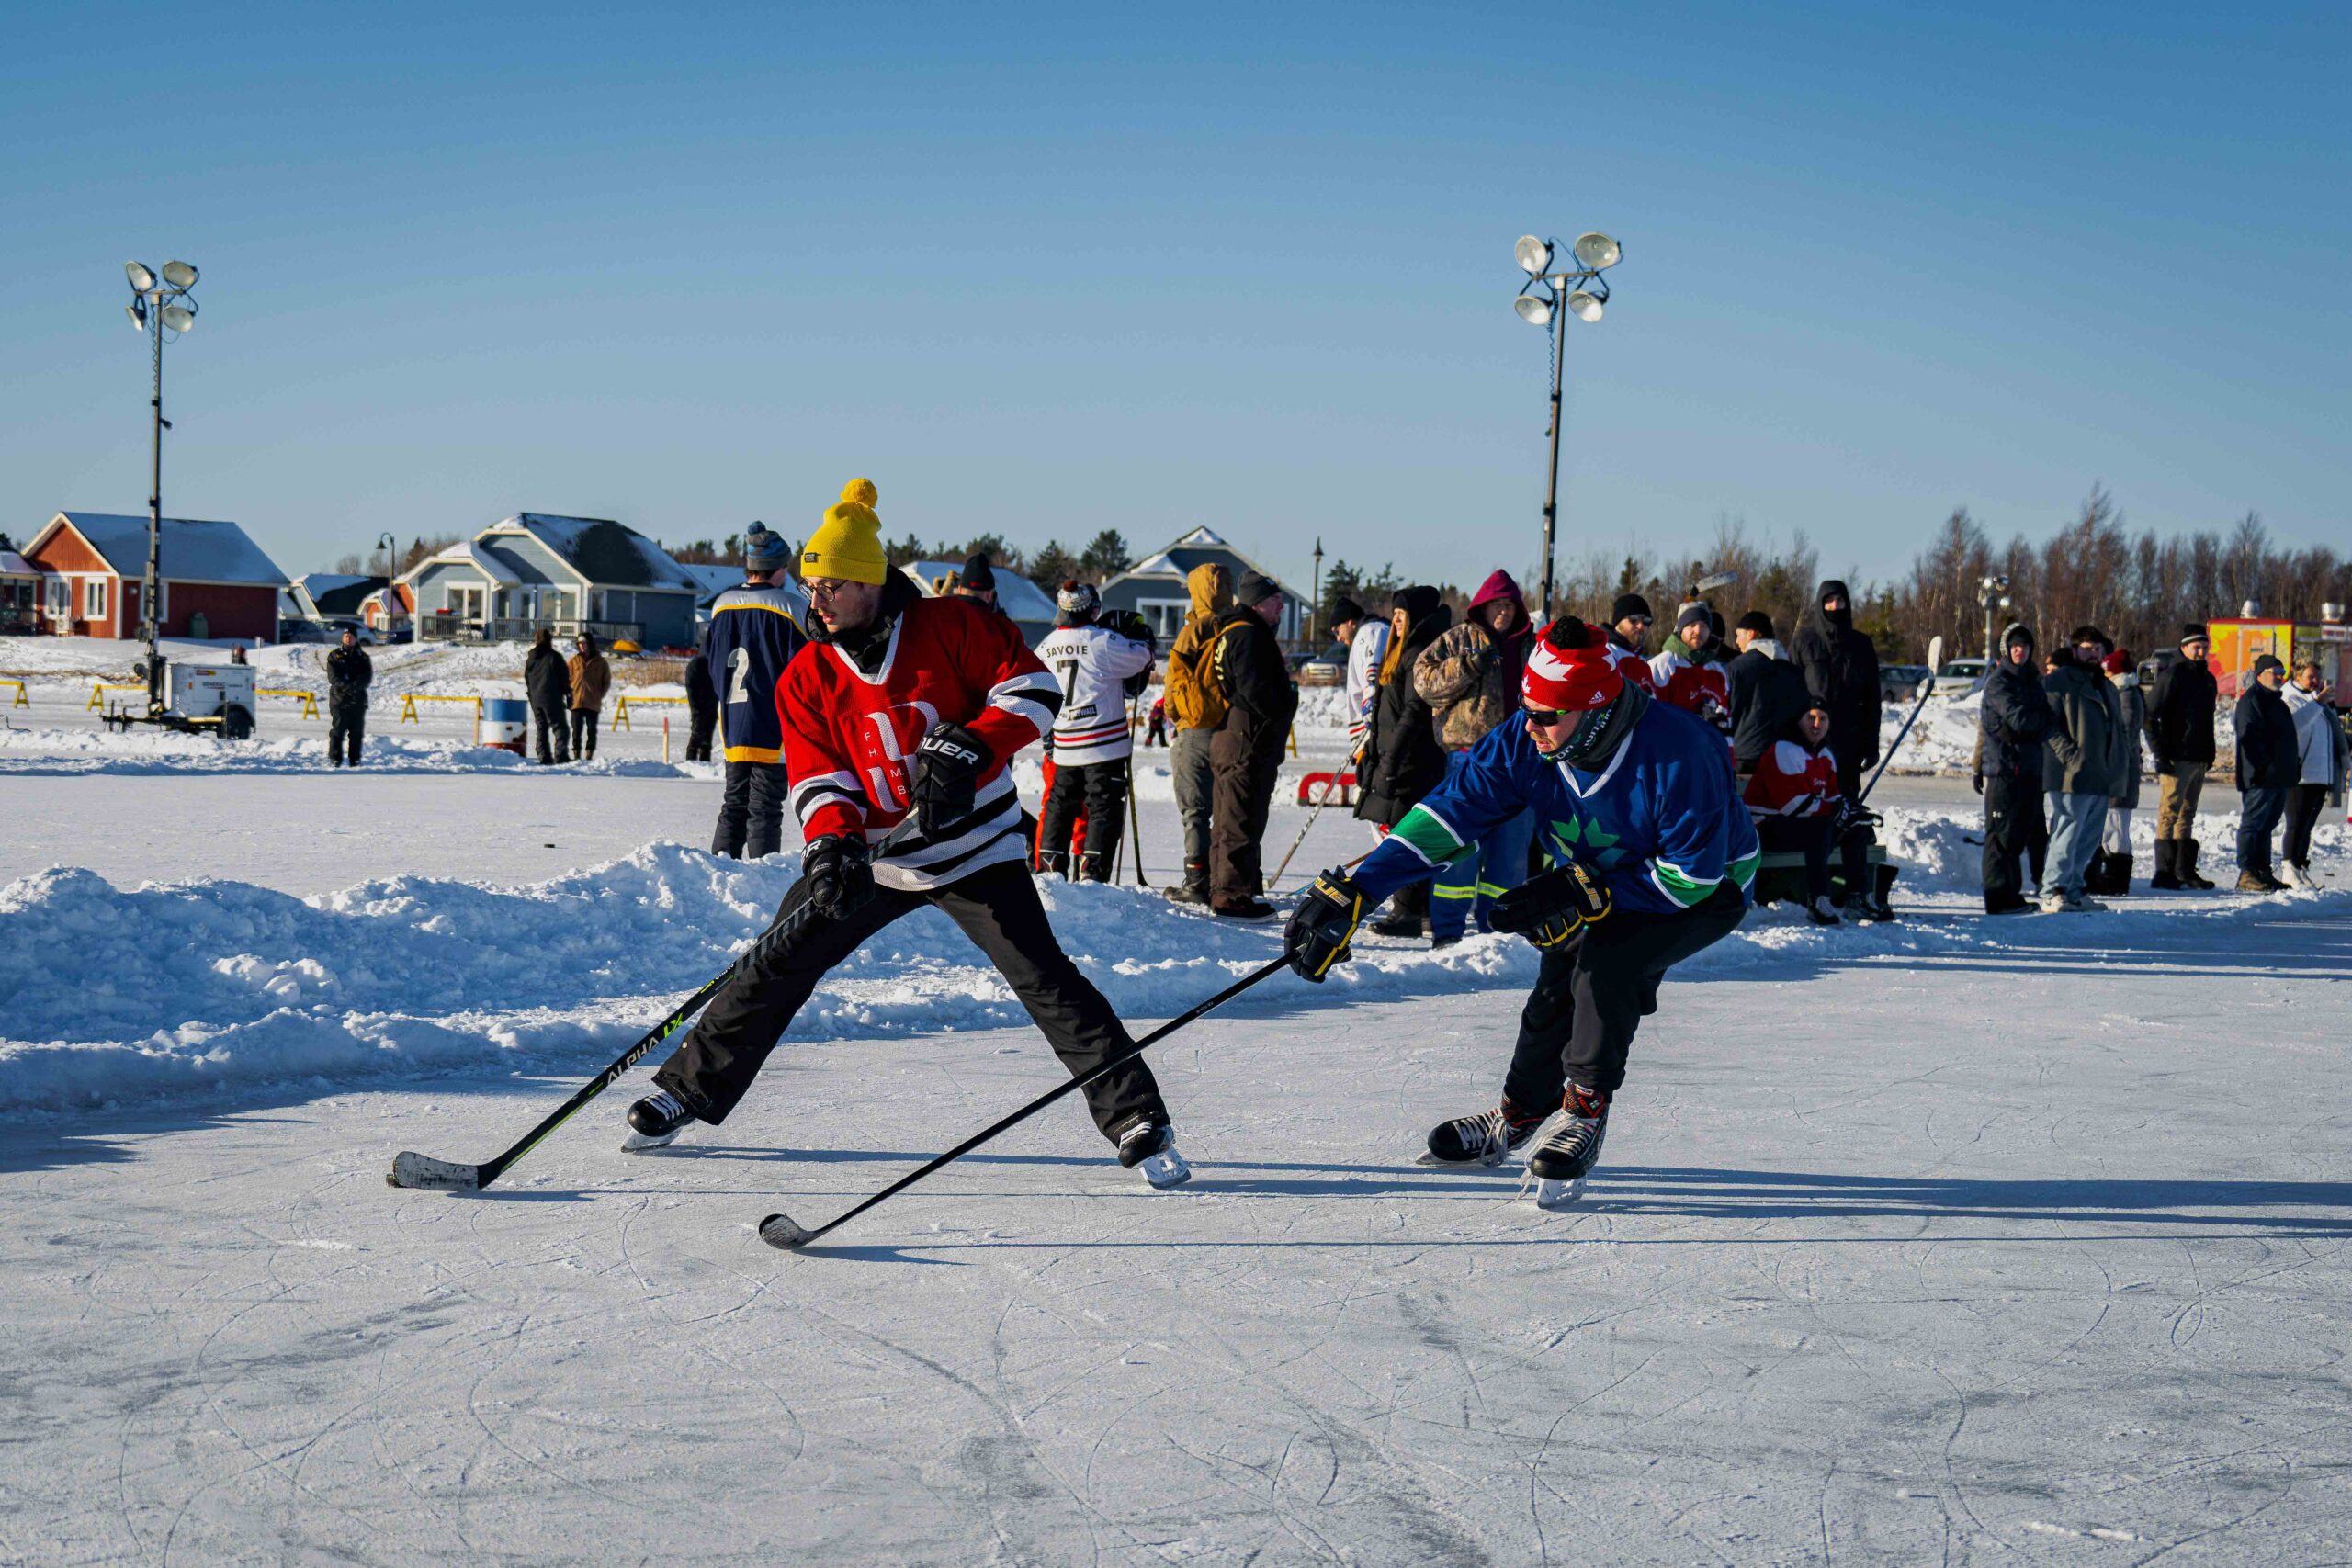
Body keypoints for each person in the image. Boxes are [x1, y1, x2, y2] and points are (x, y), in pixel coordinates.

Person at [628, 479, 1190, 1189]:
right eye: (810, 585)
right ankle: (689, 1089)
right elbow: (818, 776)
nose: (817, 598)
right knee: (775, 959)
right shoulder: (807, 674)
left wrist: (972, 745)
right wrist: (832, 845)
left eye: (832, 584)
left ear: (870, 581)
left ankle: (1136, 1116)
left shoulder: (952, 625)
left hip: (974, 848)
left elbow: (1034, 690)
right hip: (875, 857)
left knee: (1043, 976)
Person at [1285, 615, 1756, 1203]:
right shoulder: (1524, 738)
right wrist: (1361, 889)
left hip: (1705, 889)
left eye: (1547, 714)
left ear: (1596, 709)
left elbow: (1693, 876)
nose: (1530, 725)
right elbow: (1449, 813)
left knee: (1608, 960)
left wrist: (1585, 892)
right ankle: (1520, 1113)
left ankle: (1584, 1110)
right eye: (1526, 708)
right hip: (1599, 877)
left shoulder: (1682, 752)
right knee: (1556, 978)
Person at [1411, 570, 1536, 946]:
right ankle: (1448, 931)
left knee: (1510, 855)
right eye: (1497, 605)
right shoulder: (1459, 639)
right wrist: (1467, 665)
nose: (1504, 612)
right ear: (1482, 606)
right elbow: (1424, 682)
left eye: (1510, 605)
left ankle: (1499, 931)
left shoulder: (1530, 645)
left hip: (1520, 761)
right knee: (1460, 849)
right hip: (1469, 760)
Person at [1035, 581, 1154, 881]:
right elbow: (1142, 658)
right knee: (1103, 807)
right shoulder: (1103, 641)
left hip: (1064, 742)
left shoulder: (1046, 646)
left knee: (1059, 806)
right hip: (1104, 743)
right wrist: (1141, 636)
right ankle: (1093, 872)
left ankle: (1050, 870)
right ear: (1091, 610)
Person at [705, 523, 808, 858]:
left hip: (734, 721)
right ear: (778, 567)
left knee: (733, 803)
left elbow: (712, 663)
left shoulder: (722, 605)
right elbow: (804, 672)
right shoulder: (792, 608)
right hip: (772, 723)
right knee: (765, 806)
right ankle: (762, 871)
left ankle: (720, 868)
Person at [1354, 586, 1452, 937]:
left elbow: (1413, 712)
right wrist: (1372, 755)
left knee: (1405, 833)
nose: (1396, 621)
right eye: (1394, 614)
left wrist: (1391, 758)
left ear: (1416, 618)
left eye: (1402, 615)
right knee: (1399, 829)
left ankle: (1408, 911)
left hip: (1412, 760)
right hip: (1392, 754)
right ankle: (1415, 907)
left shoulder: (1417, 653)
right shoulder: (1398, 652)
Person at [1206, 570, 1296, 919]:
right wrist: (1284, 703)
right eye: (1275, 601)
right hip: (1245, 737)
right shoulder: (1247, 635)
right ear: (1258, 604)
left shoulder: (1233, 631)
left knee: (1229, 817)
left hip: (1232, 735)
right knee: (1239, 817)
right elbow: (1254, 689)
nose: (1281, 607)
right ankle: (1231, 896)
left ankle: (1227, 886)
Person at [1745, 702, 1880, 925]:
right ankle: (1818, 901)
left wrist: (1849, 812)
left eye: (1823, 719)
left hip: (1803, 826)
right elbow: (1793, 805)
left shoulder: (1824, 753)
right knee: (1820, 828)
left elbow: (1832, 796)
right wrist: (1834, 811)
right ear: (1798, 721)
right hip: (1763, 828)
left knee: (1855, 828)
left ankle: (1857, 899)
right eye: (1811, 718)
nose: (1817, 725)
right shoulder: (1784, 749)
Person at [1159, 562, 1234, 905]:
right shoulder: (1237, 625)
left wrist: (1174, 714)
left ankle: (1197, 880)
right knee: (1230, 810)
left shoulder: (1194, 630)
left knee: (1195, 811)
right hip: (1230, 729)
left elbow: (1175, 680)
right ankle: (1233, 879)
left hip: (1196, 727)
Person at [2040, 626, 2127, 913]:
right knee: (2067, 832)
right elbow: (2047, 723)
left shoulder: (2106, 686)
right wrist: (2070, 755)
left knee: (2089, 837)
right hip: (2071, 775)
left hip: (2100, 772)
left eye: (2098, 649)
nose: (2094, 654)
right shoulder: (2060, 681)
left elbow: (2117, 729)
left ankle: (2074, 888)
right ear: (2075, 650)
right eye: (2087, 648)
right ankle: (2054, 889)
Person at [1978, 622, 2051, 914]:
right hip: (2004, 769)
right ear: (2006, 650)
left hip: (2029, 767)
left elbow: (2047, 719)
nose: (2020, 651)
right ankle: (1997, 897)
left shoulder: (2032, 681)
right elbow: (2019, 719)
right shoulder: (2000, 681)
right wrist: (2034, 724)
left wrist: (2034, 725)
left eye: (2025, 646)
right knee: (2001, 835)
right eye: (2015, 646)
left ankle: (2012, 893)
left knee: (2019, 834)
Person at [1791, 579, 1881, 802]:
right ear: (1820, 604)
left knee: (1846, 802)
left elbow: (1872, 699)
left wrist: (1871, 744)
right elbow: (1789, 692)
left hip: (1849, 739)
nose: (1834, 606)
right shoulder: (1804, 642)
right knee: (1812, 803)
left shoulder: (1861, 645)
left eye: (1840, 601)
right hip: (1811, 737)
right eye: (1829, 601)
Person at [2146, 625, 2219, 889]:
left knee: (2188, 813)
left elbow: (2207, 719)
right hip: (2176, 756)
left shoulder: (2207, 679)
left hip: (2199, 755)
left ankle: (2183, 869)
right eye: (2196, 647)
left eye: (2205, 647)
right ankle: (2163, 871)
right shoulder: (2173, 675)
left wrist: (2209, 752)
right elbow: (2149, 715)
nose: (2201, 652)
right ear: (2184, 647)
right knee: (2169, 812)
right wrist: (2160, 753)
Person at [2233, 654, 2299, 893]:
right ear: (2260, 675)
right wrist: (2258, 768)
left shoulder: (2277, 703)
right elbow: (2248, 737)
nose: (2280, 677)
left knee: (2267, 825)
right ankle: (2247, 873)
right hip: (2260, 777)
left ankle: (2262, 871)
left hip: (2279, 776)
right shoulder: (2251, 701)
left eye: (2282, 673)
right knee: (2253, 824)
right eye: (2275, 673)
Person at [2280, 659, 2346, 886]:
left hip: (2319, 773)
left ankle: (2299, 866)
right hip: (2299, 774)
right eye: (2310, 677)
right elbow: (2295, 726)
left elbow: (2330, 732)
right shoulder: (2289, 698)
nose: (2316, 681)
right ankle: (2288, 867)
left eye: (2318, 677)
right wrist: (2318, 702)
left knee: (2307, 825)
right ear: (2297, 676)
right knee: (2296, 822)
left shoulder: (2317, 699)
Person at [2086, 649, 2144, 895]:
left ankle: (2116, 879)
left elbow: (2125, 735)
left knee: (2116, 827)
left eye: (2108, 671)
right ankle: (2111, 877)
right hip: (2116, 771)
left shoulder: (2126, 696)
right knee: (2112, 825)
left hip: (2121, 773)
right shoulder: (2122, 693)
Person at [1726, 610, 1811, 775]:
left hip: (1746, 757)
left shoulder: (1736, 668)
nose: (1736, 641)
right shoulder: (1794, 672)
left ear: (1751, 634)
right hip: (1786, 759)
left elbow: (1728, 712)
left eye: (1738, 635)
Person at [1647, 599, 1733, 739]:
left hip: (1707, 749)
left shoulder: (1717, 671)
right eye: (1691, 625)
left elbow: (1725, 719)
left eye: (1704, 626)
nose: (1698, 631)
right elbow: (1651, 716)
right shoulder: (1663, 665)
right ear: (1681, 629)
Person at [1333, 594, 1388, 753]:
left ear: (1349, 622)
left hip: (1372, 731)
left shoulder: (1370, 631)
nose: (1338, 638)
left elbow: (1373, 676)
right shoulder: (1365, 634)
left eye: (1337, 630)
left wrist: (1371, 705)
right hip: (1368, 731)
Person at [524, 627, 572, 764]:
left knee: (541, 728)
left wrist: (531, 695)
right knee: (560, 727)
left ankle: (543, 756)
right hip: (552, 698)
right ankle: (560, 755)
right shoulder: (555, 657)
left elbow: (527, 678)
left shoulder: (531, 658)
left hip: (536, 699)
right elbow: (564, 678)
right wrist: (568, 694)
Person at [325, 627, 372, 768]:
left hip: (358, 700)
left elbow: (366, 678)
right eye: (345, 636)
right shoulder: (335, 656)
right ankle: (335, 759)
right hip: (339, 699)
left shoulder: (363, 658)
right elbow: (333, 677)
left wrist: (355, 687)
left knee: (356, 732)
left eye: (350, 636)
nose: (348, 639)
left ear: (356, 638)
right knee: (338, 731)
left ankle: (355, 760)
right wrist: (346, 687)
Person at [567, 631, 612, 761]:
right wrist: (568, 694)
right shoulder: (574, 661)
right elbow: (565, 678)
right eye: (579, 644)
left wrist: (599, 695)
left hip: (593, 702)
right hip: (576, 701)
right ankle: (576, 754)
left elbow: (606, 682)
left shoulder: (601, 662)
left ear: (590, 644)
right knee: (576, 730)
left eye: (584, 643)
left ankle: (589, 753)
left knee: (591, 730)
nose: (581, 646)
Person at [1603, 592, 1659, 694]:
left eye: (1646, 621)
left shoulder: (1642, 662)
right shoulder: (1607, 653)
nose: (1641, 626)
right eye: (1634, 619)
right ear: (1618, 622)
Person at [683, 643, 717, 762]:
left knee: (706, 740)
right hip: (701, 707)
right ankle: (691, 763)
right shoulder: (696, 665)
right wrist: (695, 707)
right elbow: (691, 688)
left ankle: (703, 763)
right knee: (697, 736)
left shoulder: (713, 665)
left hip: (710, 705)